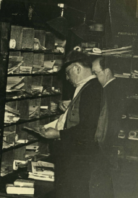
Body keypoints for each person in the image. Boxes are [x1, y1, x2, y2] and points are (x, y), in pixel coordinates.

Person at [40, 50, 106, 198]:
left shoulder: (91, 89)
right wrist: (69, 107)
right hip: (76, 155)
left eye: (68, 72)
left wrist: (58, 133)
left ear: (77, 68)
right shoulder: (87, 87)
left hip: (78, 157)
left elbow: (88, 128)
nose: (66, 77)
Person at [91, 56, 126, 198]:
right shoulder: (115, 87)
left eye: (95, 73)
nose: (93, 77)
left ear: (107, 72)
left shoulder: (108, 91)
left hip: (106, 145)